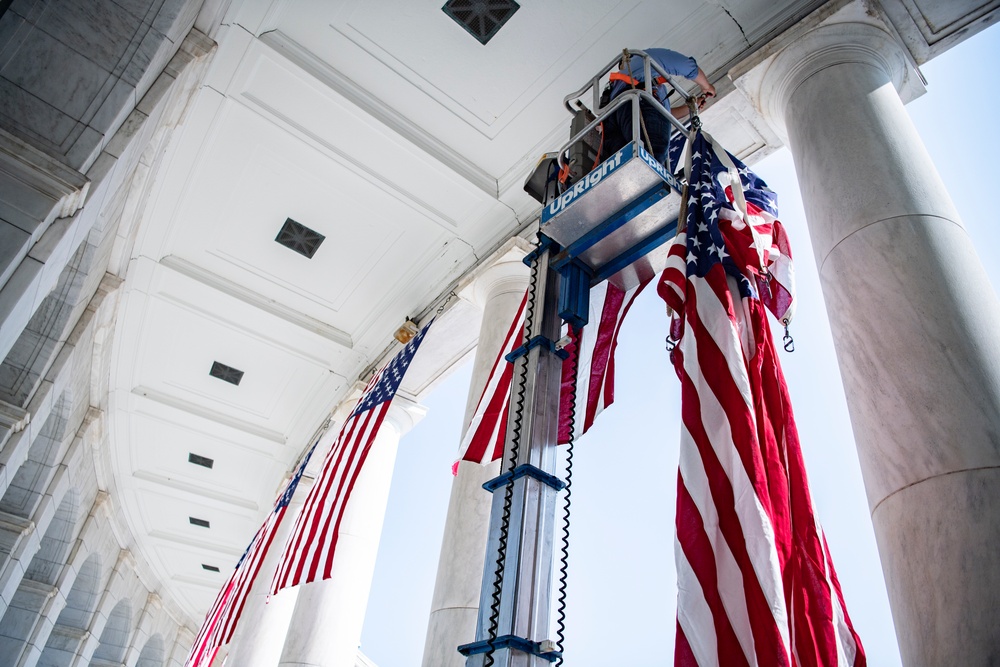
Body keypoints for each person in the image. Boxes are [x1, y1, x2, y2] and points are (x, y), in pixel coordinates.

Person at [601, 48, 716, 165]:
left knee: (625, 165)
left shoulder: (618, 86)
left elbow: (663, 116)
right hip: (638, 102)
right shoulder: (643, 59)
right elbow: (685, 65)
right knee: (651, 159)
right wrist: (706, 86)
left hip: (616, 118)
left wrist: (690, 108)